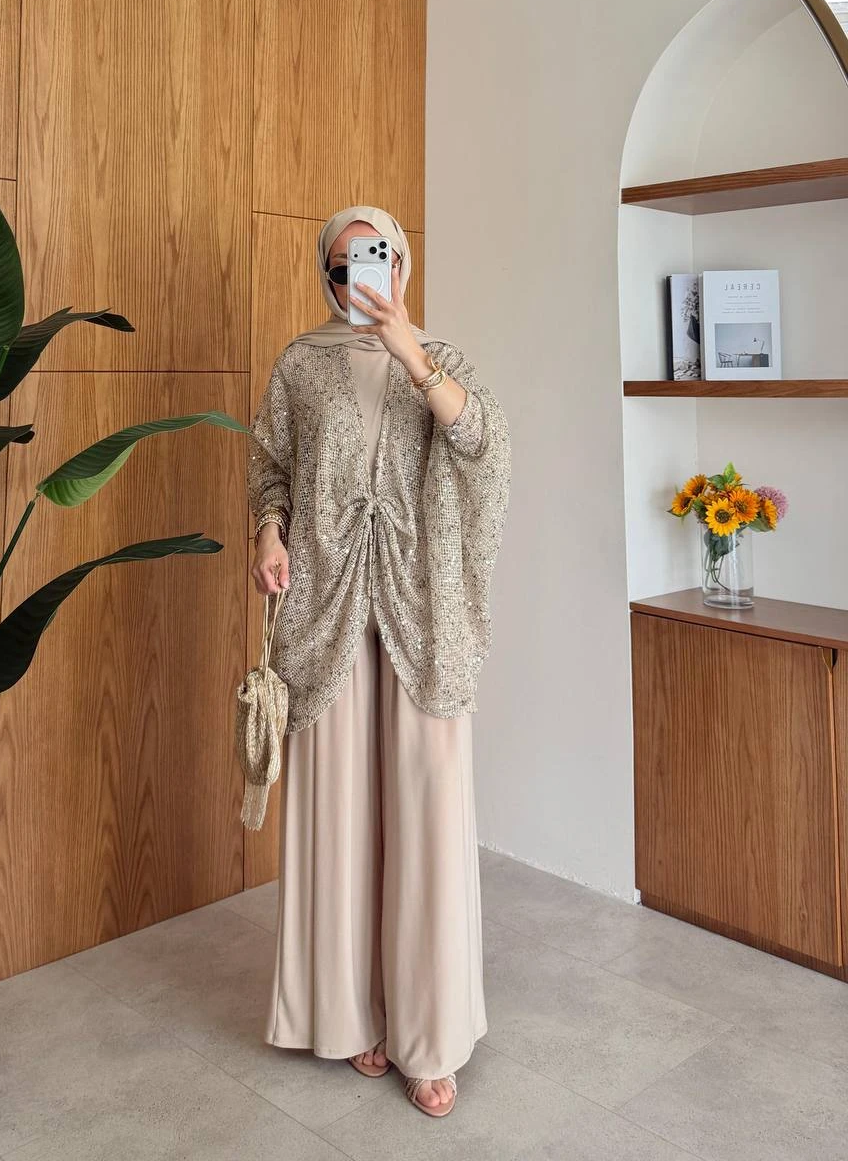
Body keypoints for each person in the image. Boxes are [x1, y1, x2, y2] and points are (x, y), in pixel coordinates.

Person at [247, 204, 511, 1119]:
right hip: (324, 607)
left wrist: (409, 350)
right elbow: (271, 467)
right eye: (342, 266)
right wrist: (270, 532)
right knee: (341, 814)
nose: (358, 276)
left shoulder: (440, 356)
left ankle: (430, 1035)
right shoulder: (299, 363)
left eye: (377, 257)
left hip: (422, 613)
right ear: (325, 278)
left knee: (427, 815)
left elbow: (484, 447)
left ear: (401, 263)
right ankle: (350, 1012)